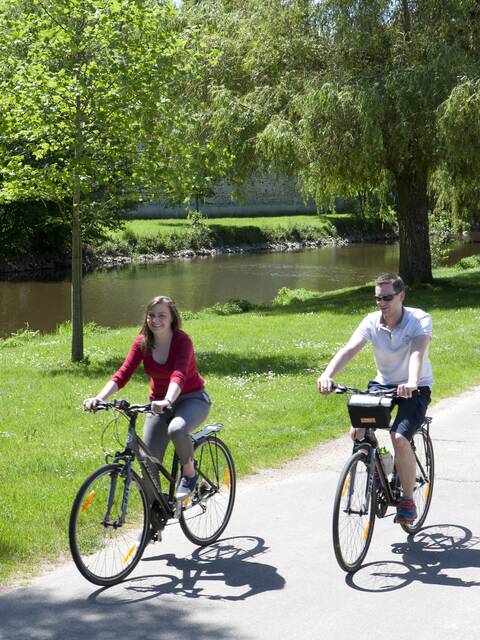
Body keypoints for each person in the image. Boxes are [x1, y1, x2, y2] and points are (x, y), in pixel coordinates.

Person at [317, 273, 433, 524]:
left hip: (415, 387)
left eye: (387, 297)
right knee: (357, 433)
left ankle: (406, 500)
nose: (382, 303)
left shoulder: (419, 319)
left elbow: (417, 352)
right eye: (378, 298)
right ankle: (382, 465)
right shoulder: (371, 321)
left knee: (399, 437)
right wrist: (327, 375)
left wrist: (412, 382)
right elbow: (349, 349)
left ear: (401, 296)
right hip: (382, 384)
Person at [83, 295, 211, 502]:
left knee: (177, 428)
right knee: (147, 462)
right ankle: (155, 515)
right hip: (158, 403)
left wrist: (167, 400)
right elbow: (123, 373)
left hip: (191, 398)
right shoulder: (143, 341)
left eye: (162, 315)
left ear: (172, 318)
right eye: (151, 315)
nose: (155, 320)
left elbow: (179, 374)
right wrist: (99, 398)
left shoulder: (182, 341)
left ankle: (189, 474)